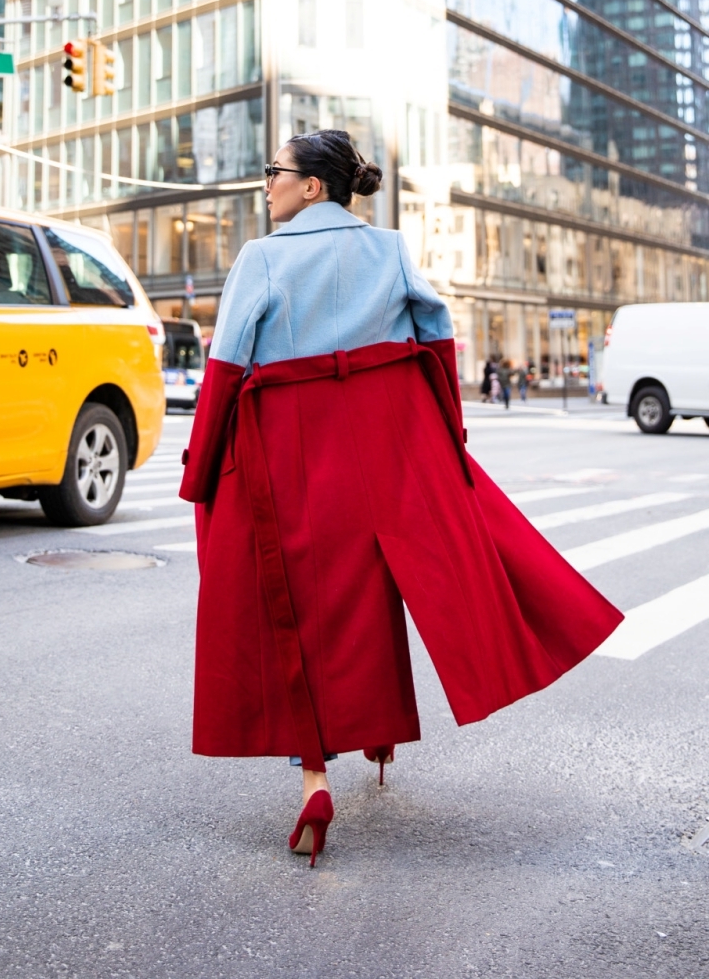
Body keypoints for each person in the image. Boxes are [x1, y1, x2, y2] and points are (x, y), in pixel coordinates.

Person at [179, 129, 622, 868]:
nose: (267, 183)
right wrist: (445, 433)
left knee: (300, 604)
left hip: (291, 455)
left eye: (275, 172)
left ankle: (316, 779)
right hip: (385, 450)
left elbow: (225, 367)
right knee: (375, 587)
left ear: (312, 186)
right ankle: (379, 739)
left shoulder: (262, 256)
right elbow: (436, 334)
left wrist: (202, 474)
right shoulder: (387, 249)